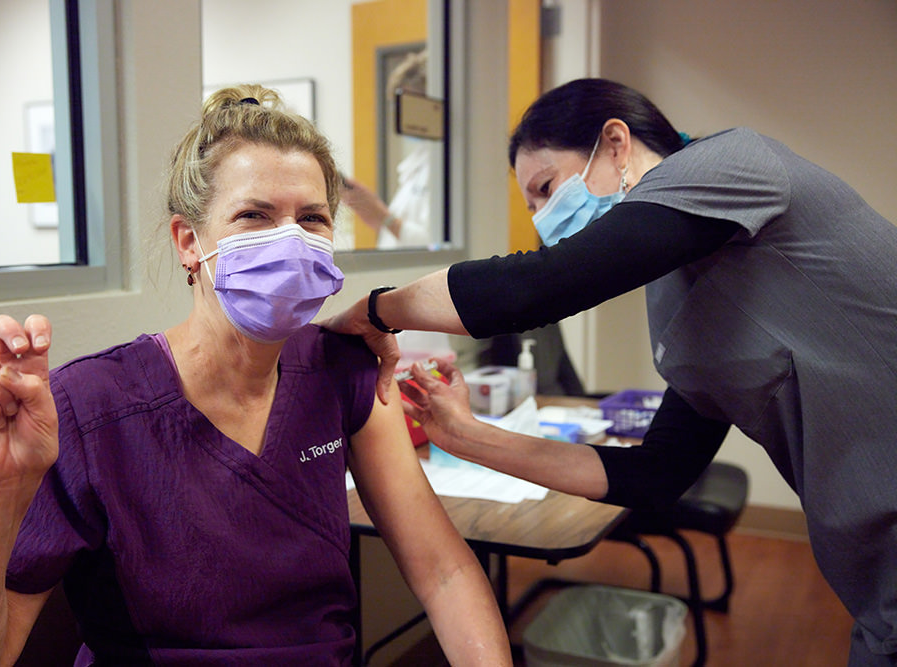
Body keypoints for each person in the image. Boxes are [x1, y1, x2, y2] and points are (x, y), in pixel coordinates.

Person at [0, 85, 511, 666]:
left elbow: (446, 572)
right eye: (254, 215)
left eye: (313, 219)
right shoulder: (88, 407)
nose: (290, 241)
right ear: (189, 242)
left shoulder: (341, 371)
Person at [322, 78, 897, 665]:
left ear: (617, 144)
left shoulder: (734, 163)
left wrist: (376, 310)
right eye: (532, 207)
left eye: (545, 189)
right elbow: (657, 473)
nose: (545, 220)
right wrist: (465, 435)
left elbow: (537, 287)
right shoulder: (674, 298)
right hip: (871, 570)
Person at [342, 48, 433, 249]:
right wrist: (371, 211)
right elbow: (400, 235)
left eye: (403, 105)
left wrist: (382, 215)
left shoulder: (446, 166)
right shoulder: (421, 159)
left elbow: (435, 245)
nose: (398, 115)